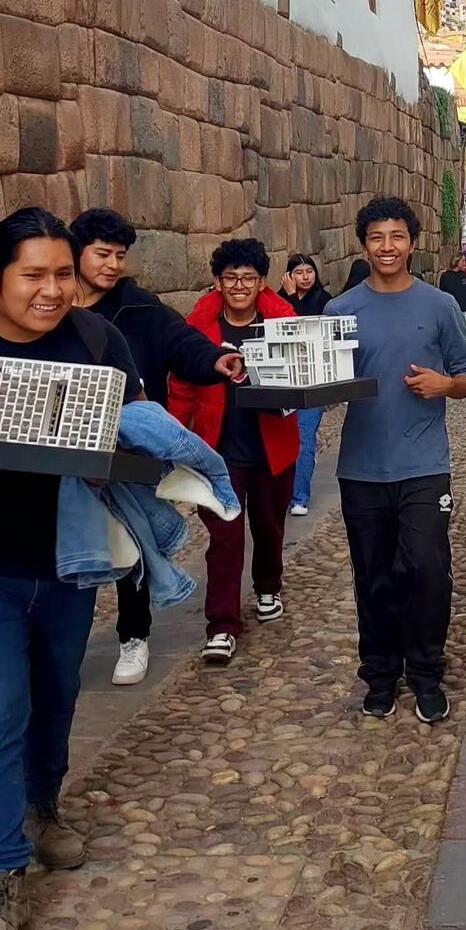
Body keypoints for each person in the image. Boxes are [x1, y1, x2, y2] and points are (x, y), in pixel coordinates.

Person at [0, 208, 144, 930]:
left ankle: (43, 805)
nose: (52, 291)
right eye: (33, 275)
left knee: (56, 698)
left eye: (61, 275)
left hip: (69, 563)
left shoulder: (98, 341)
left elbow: (140, 433)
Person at [69, 208, 243, 686]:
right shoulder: (52, 305)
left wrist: (216, 359)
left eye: (120, 256)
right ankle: (62, 645)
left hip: (127, 450)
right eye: (102, 254)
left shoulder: (139, 308)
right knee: (73, 548)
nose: (111, 265)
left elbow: (182, 342)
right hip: (65, 449)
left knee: (132, 544)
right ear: (76, 251)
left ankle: (134, 636)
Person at [326, 197, 466, 724]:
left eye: (396, 237)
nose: (386, 247)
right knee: (373, 575)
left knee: (429, 570)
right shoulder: (339, 312)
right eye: (376, 238)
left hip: (424, 466)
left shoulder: (439, 307)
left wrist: (445, 385)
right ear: (363, 244)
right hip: (361, 468)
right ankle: (381, 676)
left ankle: (428, 674)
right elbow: (325, 383)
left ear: (412, 243)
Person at [169, 239, 300, 664]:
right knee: (224, 539)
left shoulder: (281, 325)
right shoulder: (201, 331)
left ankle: (267, 587)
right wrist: (177, 439)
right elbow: (183, 386)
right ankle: (222, 624)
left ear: (261, 282)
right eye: (230, 278)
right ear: (217, 282)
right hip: (219, 452)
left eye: (247, 278)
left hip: (272, 445)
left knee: (269, 526)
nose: (239, 285)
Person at [279, 253, 332, 517]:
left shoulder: (324, 302)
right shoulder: (277, 301)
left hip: (313, 380)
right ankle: (282, 491)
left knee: (304, 438)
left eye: (309, 271)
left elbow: (301, 331)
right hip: (282, 381)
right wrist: (288, 297)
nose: (305, 277)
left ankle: (299, 496)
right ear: (288, 275)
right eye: (299, 272)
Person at [438, 255, 466, 333]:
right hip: (451, 310)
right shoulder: (446, 276)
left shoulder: (464, 275)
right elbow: (442, 292)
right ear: (457, 261)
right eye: (463, 261)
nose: (465, 263)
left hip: (464, 309)